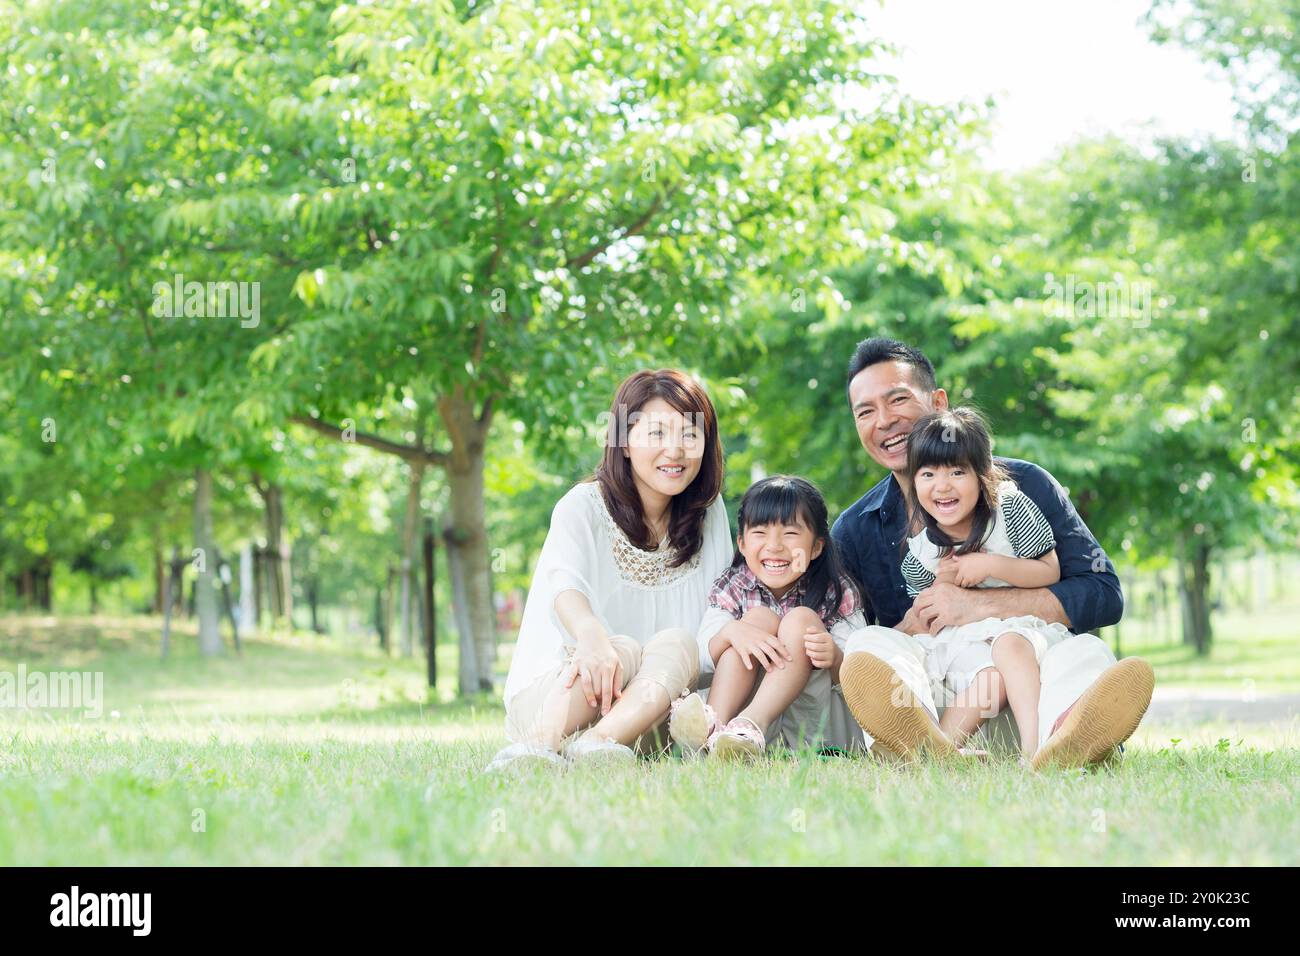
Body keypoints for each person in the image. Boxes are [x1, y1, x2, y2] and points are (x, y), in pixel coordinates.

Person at [832, 338, 1154, 769]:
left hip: (1028, 693)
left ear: (938, 401)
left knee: (1087, 655)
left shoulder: (1021, 488)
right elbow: (849, 638)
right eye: (865, 411)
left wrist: (977, 604)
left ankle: (1062, 740)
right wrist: (912, 624)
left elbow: (1103, 594)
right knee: (868, 643)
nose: (885, 421)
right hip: (948, 696)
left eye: (898, 400)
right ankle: (924, 743)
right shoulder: (853, 531)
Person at [487, 369, 732, 772]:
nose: (675, 450)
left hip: (647, 718)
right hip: (562, 699)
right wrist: (591, 637)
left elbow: (713, 624)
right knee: (622, 648)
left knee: (678, 642)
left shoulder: (710, 515)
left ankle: (597, 745)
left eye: (690, 435)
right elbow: (565, 587)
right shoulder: (581, 506)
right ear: (623, 441)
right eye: (656, 433)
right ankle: (537, 749)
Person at [669, 476, 866, 759]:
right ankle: (712, 731)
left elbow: (862, 678)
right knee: (755, 621)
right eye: (760, 532)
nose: (774, 546)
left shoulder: (837, 590)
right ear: (743, 543)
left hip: (814, 730)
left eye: (790, 533)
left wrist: (836, 658)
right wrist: (729, 634)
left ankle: (750, 723)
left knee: (799, 620)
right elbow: (699, 666)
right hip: (738, 734)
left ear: (816, 547)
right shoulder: (733, 585)